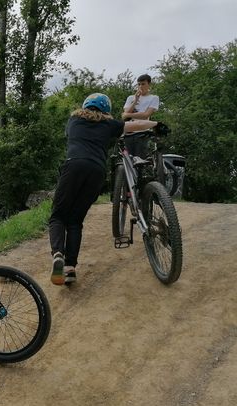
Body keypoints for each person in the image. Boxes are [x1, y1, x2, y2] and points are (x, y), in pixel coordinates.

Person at [49, 93, 164, 286]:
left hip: (74, 166)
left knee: (58, 216)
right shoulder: (109, 125)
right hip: (96, 171)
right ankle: (69, 268)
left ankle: (58, 253)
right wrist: (156, 124)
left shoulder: (74, 120)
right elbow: (133, 126)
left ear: (86, 105)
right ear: (106, 110)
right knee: (76, 220)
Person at [122, 74, 160, 158]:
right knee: (128, 159)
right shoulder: (131, 98)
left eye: (143, 84)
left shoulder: (154, 98)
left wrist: (128, 114)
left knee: (140, 158)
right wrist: (135, 101)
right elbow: (125, 116)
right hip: (128, 132)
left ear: (149, 84)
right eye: (139, 84)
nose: (140, 86)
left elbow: (146, 115)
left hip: (142, 132)